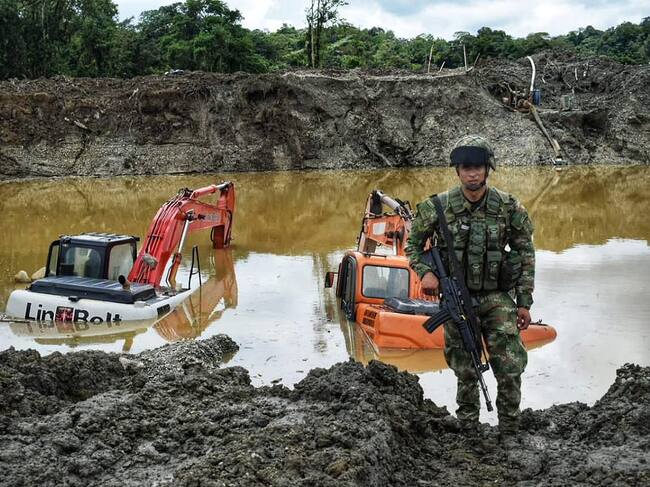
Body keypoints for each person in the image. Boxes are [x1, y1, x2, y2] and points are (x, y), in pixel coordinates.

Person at [405, 135, 535, 438]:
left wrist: (524, 302)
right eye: (466, 168)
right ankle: (468, 432)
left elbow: (525, 252)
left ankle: (510, 430)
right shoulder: (437, 206)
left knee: (510, 367)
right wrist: (425, 272)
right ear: (458, 171)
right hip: (456, 299)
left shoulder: (509, 207)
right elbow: (412, 245)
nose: (472, 174)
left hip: (496, 298)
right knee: (465, 369)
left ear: (487, 169)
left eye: (478, 167)